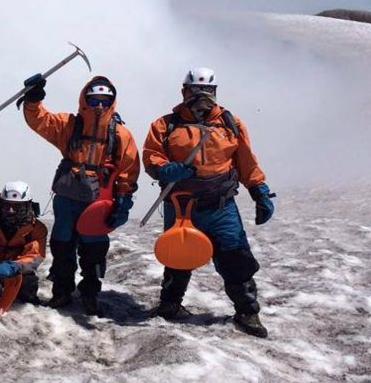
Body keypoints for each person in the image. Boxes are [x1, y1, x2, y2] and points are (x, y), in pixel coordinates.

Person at [142, 67, 276, 338]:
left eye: (208, 90)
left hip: (220, 205)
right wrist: (166, 170)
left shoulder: (230, 124)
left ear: (215, 92)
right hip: (181, 205)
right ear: (184, 92)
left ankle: (247, 311)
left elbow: (246, 161)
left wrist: (259, 189)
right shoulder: (165, 125)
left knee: (235, 257)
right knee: (178, 255)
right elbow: (152, 156)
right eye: (195, 90)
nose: (202, 96)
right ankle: (170, 304)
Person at [21, 74, 140, 314]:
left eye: (105, 101)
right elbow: (40, 120)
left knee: (94, 250)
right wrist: (33, 99)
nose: (99, 106)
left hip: (99, 199)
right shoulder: (69, 125)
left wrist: (124, 200)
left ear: (112, 102)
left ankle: (90, 294)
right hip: (68, 198)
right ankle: (62, 292)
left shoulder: (120, 134)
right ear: (85, 100)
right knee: (62, 245)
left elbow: (128, 169)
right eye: (94, 100)